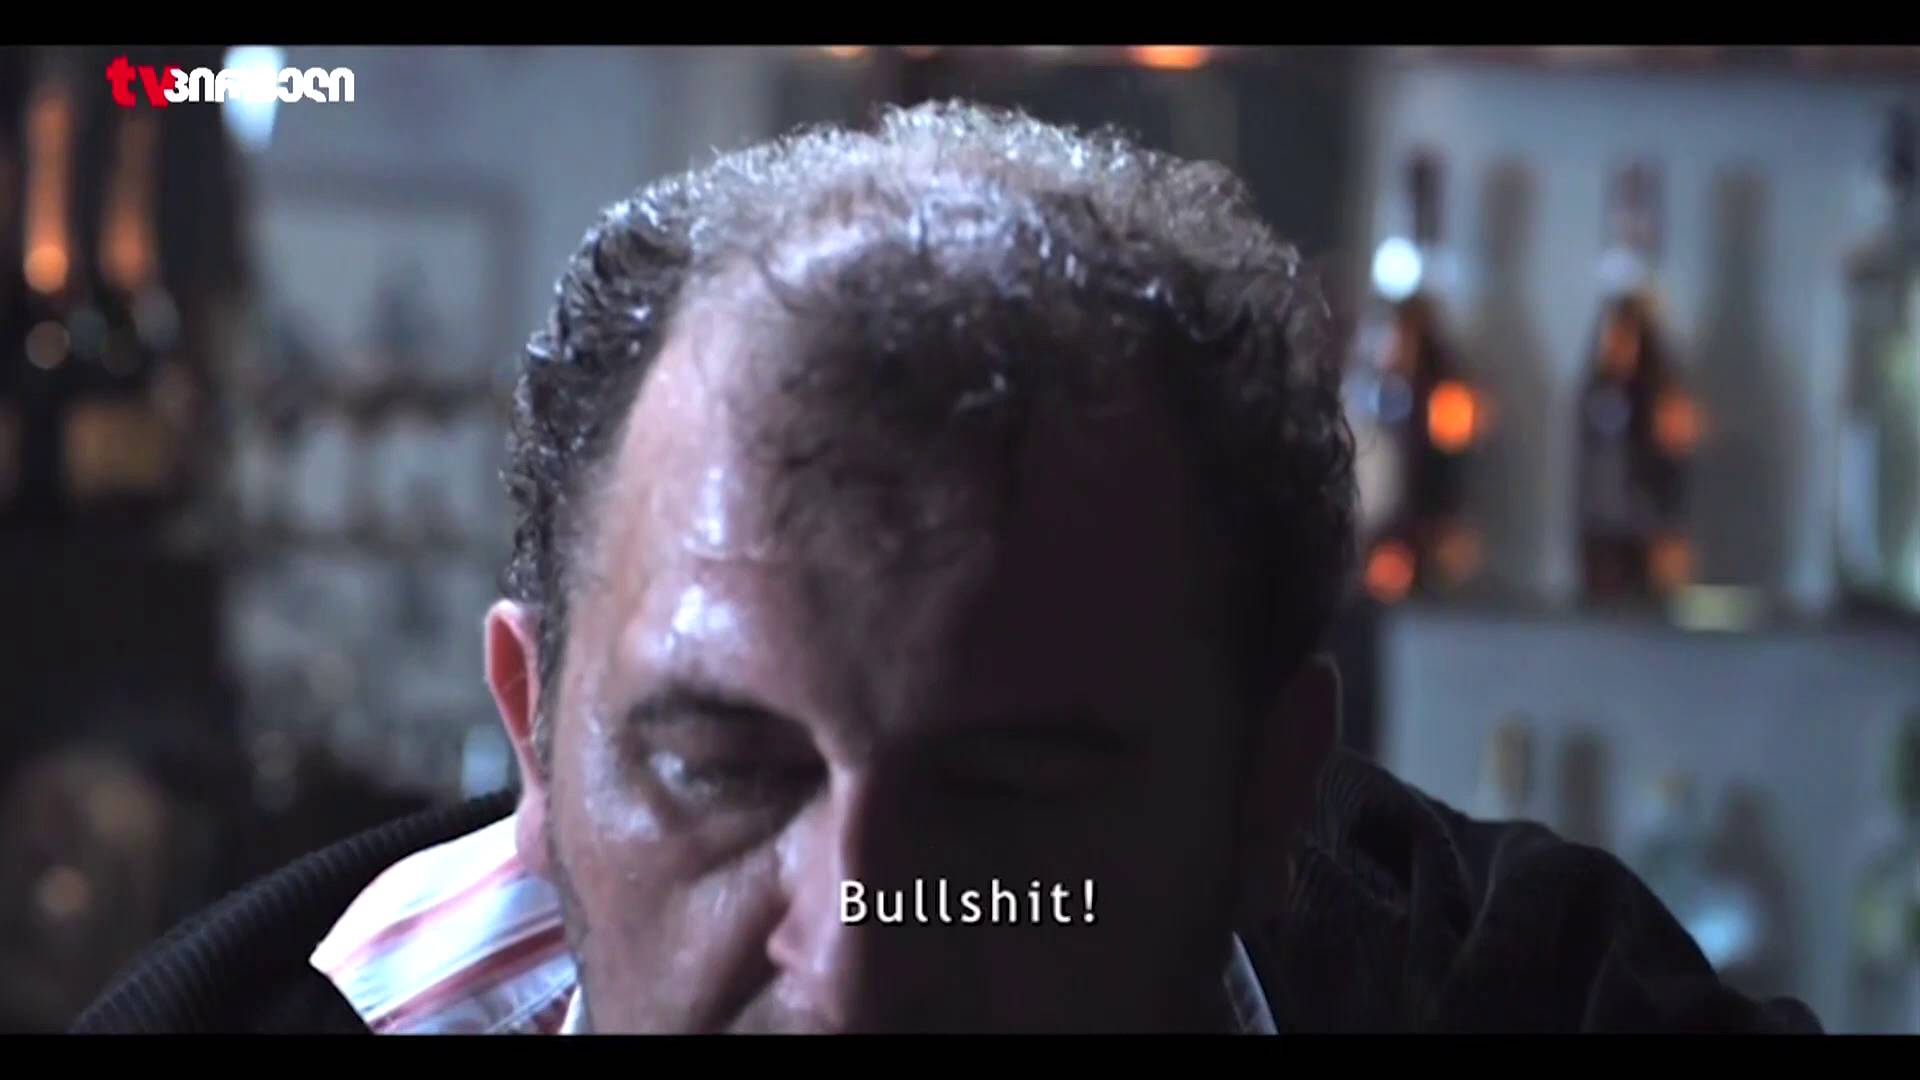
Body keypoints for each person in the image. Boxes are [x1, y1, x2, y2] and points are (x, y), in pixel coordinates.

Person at [74, 101, 1820, 1034]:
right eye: (720, 769)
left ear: (1264, 790)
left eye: (1010, 791)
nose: (857, 959)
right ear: (533, 730)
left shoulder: (1541, 998)